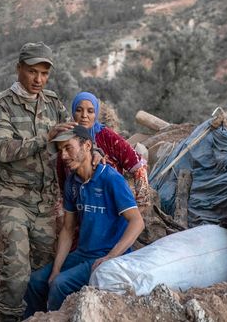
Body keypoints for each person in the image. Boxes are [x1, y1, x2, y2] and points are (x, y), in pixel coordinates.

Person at [0, 42, 75, 322]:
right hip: (11, 196)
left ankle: (35, 316)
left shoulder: (53, 103)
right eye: (32, 72)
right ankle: (8, 318)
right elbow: (4, 150)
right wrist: (46, 136)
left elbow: (69, 141)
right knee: (17, 265)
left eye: (44, 73)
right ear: (18, 69)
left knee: (44, 267)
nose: (38, 80)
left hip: (45, 199)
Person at [24, 126, 144, 317]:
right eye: (61, 150)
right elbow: (67, 229)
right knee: (36, 281)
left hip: (105, 255)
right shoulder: (72, 183)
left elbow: (137, 222)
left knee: (59, 284)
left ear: (87, 145)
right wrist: (55, 269)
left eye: (68, 148)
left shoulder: (110, 179)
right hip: (82, 254)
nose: (63, 156)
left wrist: (111, 257)